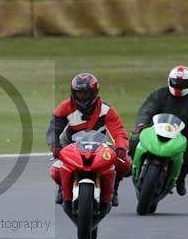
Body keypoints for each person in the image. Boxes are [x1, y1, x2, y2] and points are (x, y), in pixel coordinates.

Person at [46, 72, 132, 211]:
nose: (82, 97)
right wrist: (55, 146)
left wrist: (121, 147)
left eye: (86, 93)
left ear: (94, 93)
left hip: (100, 146)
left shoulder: (106, 110)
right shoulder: (64, 107)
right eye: (79, 93)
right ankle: (63, 187)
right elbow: (53, 130)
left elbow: (119, 131)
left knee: (125, 163)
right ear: (74, 92)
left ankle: (114, 188)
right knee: (55, 171)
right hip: (71, 147)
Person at [129, 65, 188, 196]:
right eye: (176, 82)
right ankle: (132, 164)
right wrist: (141, 124)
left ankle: (180, 178)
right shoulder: (159, 94)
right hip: (155, 132)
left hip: (179, 138)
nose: (179, 86)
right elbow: (147, 109)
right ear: (169, 81)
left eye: (183, 83)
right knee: (135, 139)